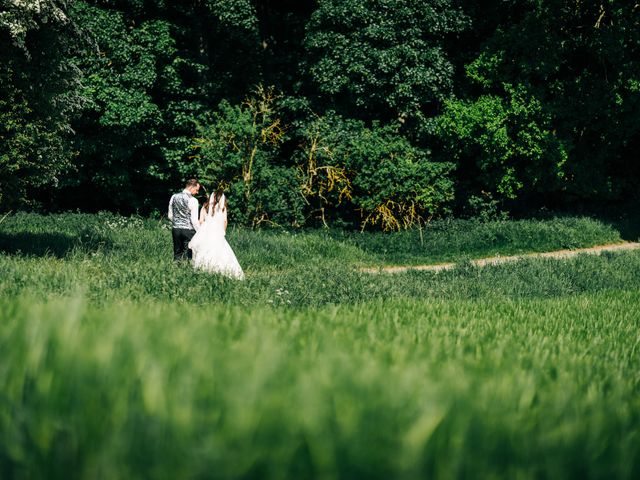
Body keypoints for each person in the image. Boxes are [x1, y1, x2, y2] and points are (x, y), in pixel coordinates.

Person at [188, 190, 244, 280]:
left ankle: (204, 270)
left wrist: (203, 229)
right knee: (219, 251)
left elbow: (201, 221)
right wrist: (223, 232)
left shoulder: (205, 206)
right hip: (217, 232)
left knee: (204, 250)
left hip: (206, 232)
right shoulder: (222, 208)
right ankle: (219, 270)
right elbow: (225, 221)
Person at [168, 179, 201, 261]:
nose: (197, 192)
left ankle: (175, 270)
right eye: (196, 190)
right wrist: (199, 232)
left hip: (176, 229)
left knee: (177, 253)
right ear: (191, 187)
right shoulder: (193, 200)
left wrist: (177, 223)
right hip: (188, 230)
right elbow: (194, 220)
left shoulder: (174, 197)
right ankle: (187, 271)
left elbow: (170, 215)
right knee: (188, 255)